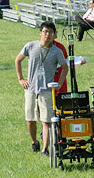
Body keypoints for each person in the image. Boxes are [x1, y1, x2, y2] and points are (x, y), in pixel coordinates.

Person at [15, 21, 68, 156]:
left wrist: (60, 84)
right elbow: (18, 60)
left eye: (50, 32)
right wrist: (21, 79)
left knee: (46, 121)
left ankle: (45, 148)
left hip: (46, 91)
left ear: (54, 35)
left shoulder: (57, 51)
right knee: (30, 119)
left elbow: (65, 67)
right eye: (45, 32)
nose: (47, 35)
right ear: (40, 33)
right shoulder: (30, 46)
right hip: (31, 89)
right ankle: (34, 142)